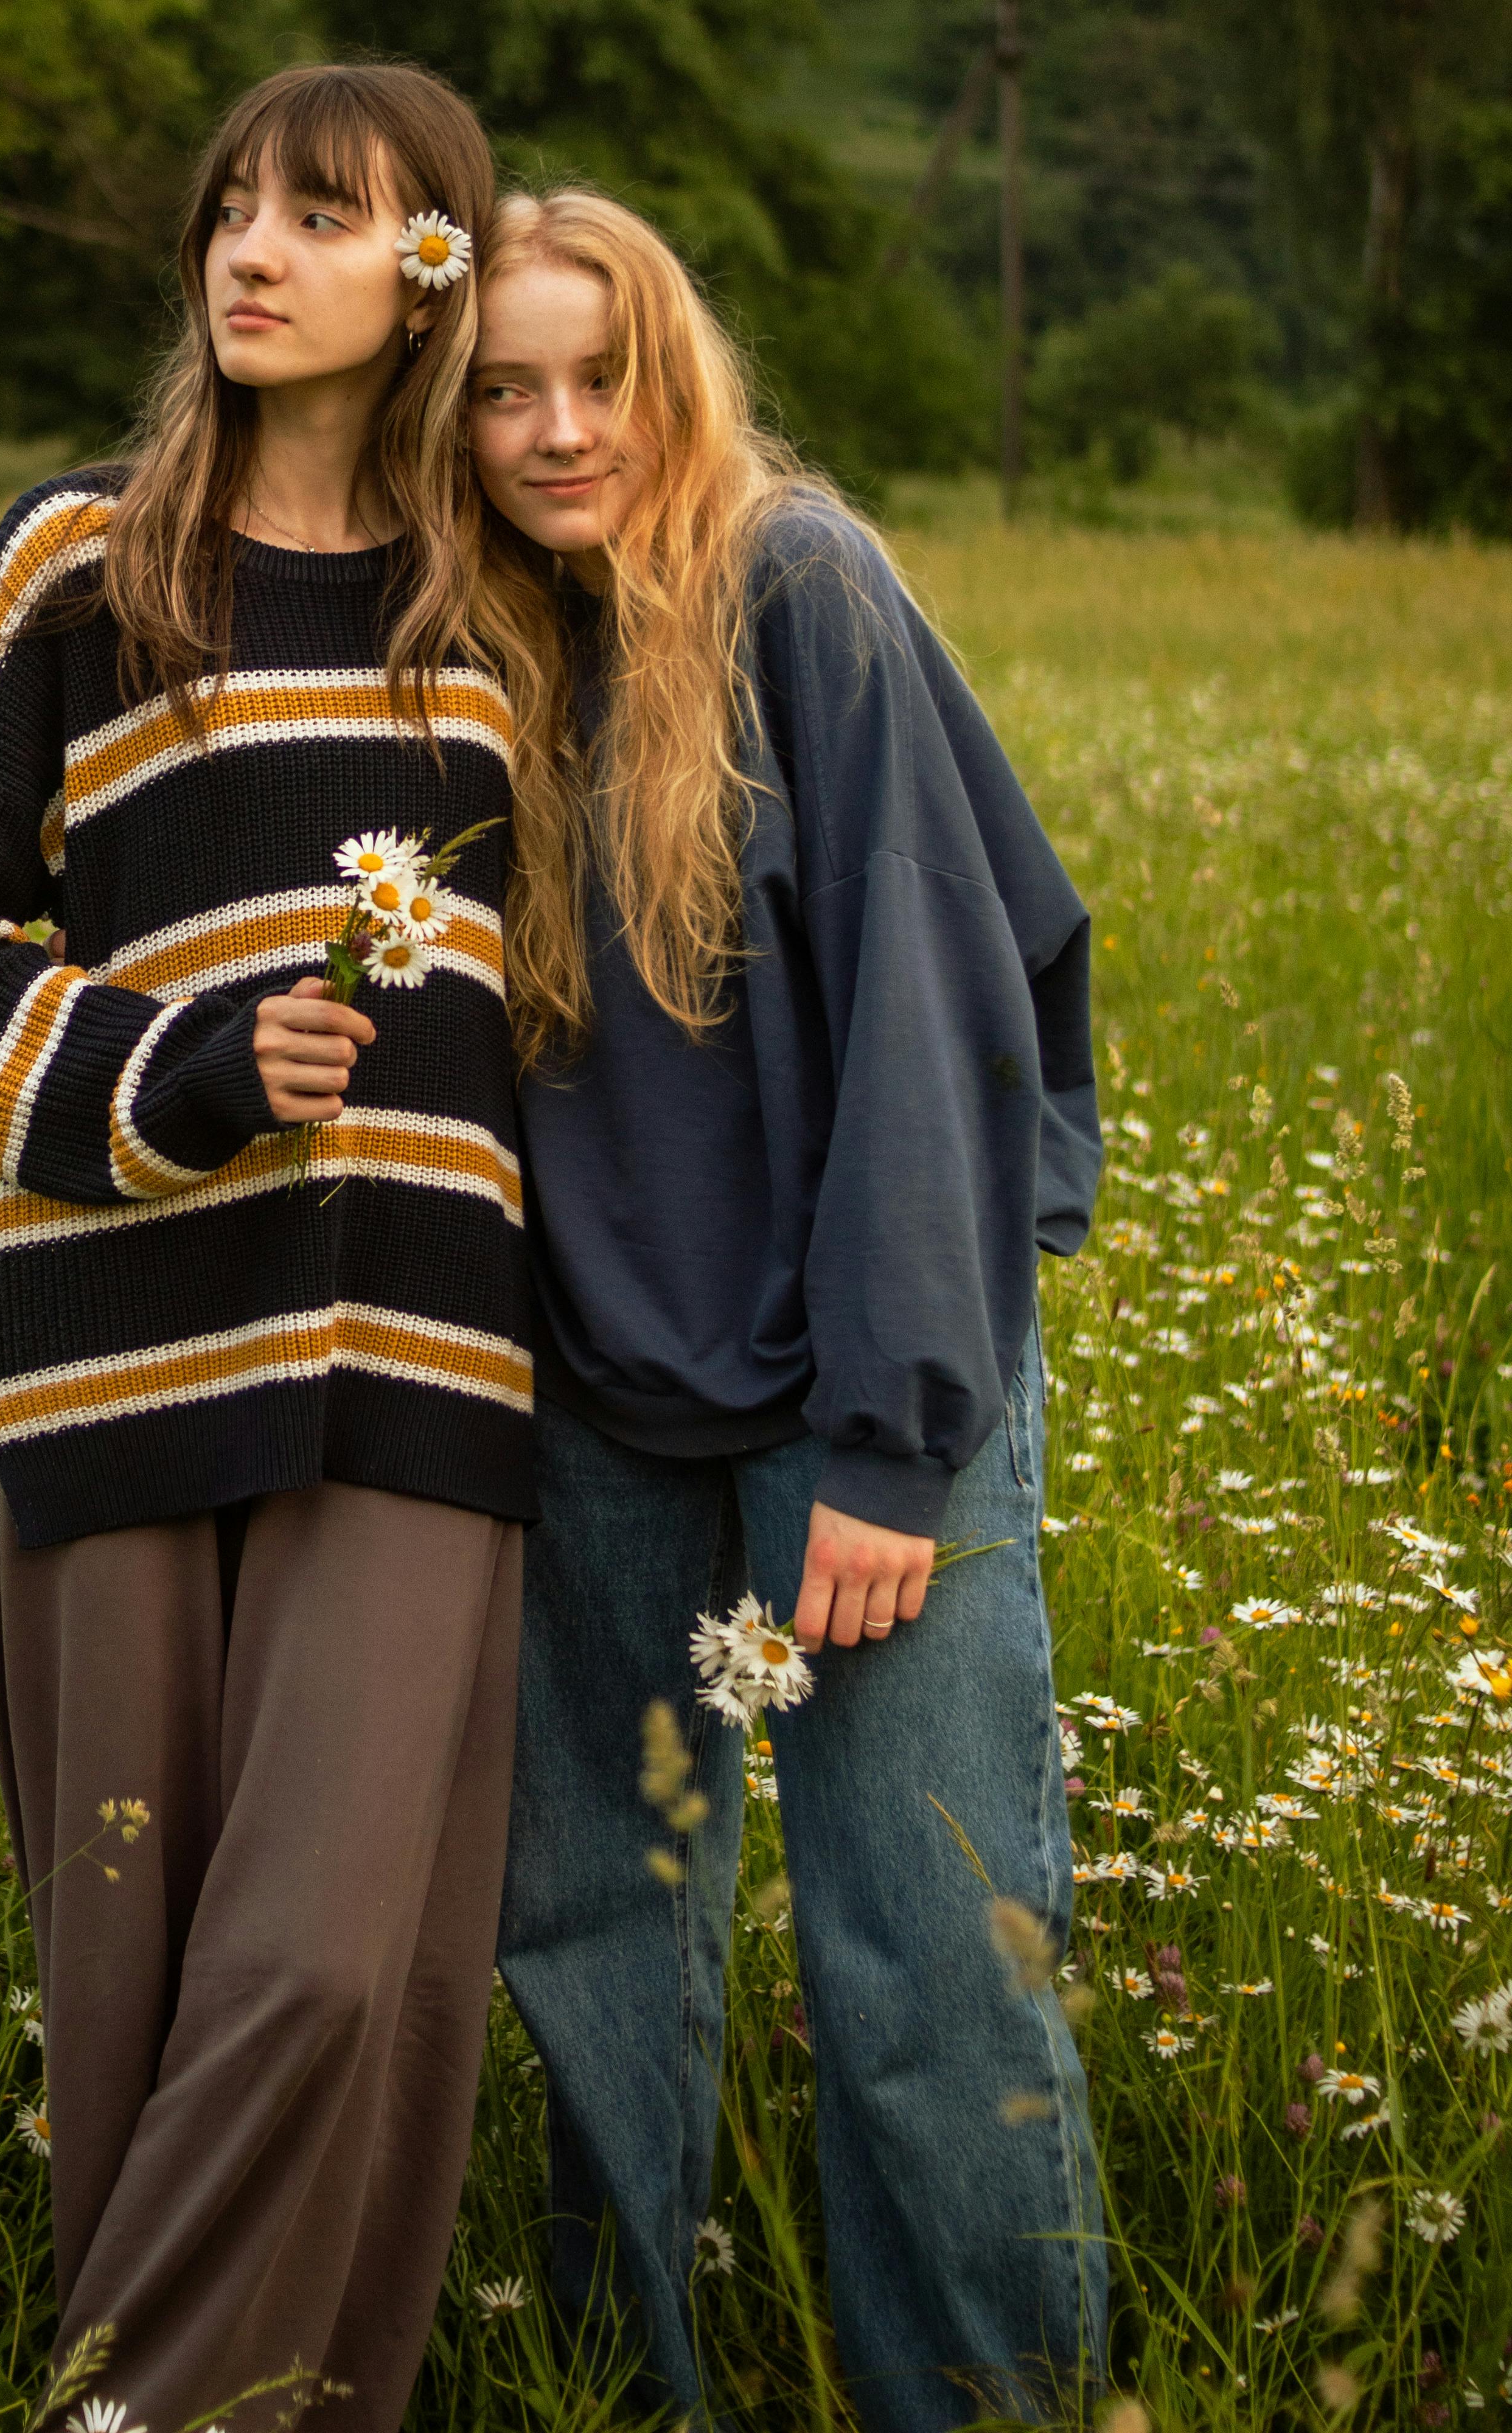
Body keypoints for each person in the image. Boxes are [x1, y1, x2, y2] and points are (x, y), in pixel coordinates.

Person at [0, 63, 537, 2433]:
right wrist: (182, 1075)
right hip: (113, 1358)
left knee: (335, 1980)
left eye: (324, 216)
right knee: (135, 1998)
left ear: (431, 267)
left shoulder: (516, 602)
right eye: (232, 207)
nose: (250, 249)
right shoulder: (77, 561)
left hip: (432, 1382)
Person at [468, 186, 1107, 2433]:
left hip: (850, 1419)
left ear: (676, 364)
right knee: (592, 1938)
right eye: (505, 392)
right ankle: (616, 2389)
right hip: (594, 1412)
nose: (558, 431)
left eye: (599, 374)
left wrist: (898, 1438)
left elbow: (947, 1021)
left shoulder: (798, 593)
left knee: (927, 1957)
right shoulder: (491, 645)